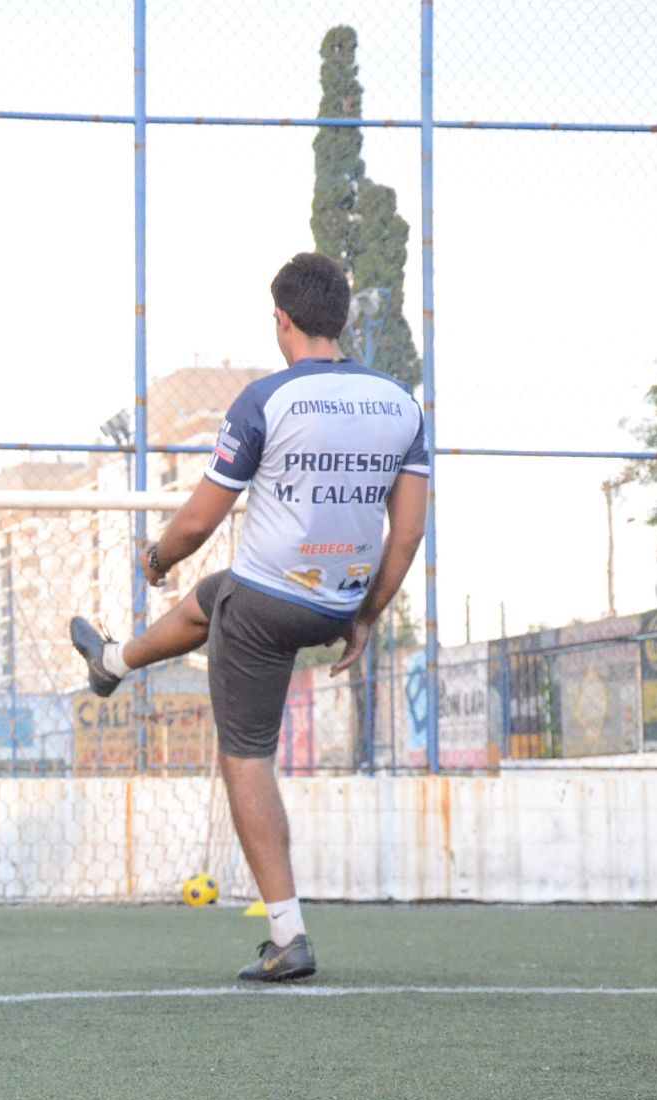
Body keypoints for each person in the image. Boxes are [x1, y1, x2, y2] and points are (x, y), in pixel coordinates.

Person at [70, 251, 428, 982]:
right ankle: (113, 664)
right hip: (333, 602)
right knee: (215, 596)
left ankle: (288, 934)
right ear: (344, 318)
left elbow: (199, 520)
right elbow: (410, 530)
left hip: (269, 610)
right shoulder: (401, 403)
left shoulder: (265, 400)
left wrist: (158, 557)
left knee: (247, 756)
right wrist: (364, 618)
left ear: (282, 320)